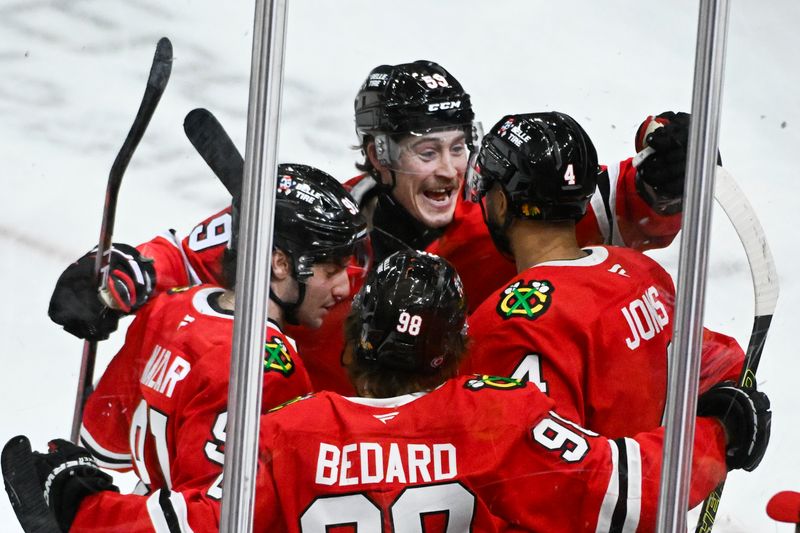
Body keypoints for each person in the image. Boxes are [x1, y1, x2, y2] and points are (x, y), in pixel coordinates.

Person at [6, 250, 771, 532]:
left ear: (348, 342)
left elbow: (189, 522)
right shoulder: (500, 419)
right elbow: (637, 492)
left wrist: (83, 505)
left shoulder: (291, 433)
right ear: (456, 351)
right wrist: (719, 430)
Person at [48, 60, 694, 395]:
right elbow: (188, 259)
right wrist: (115, 281)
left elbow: (626, 201)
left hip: (449, 456)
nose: (448, 170)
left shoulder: (493, 210)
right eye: (425, 151)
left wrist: (666, 174)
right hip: (319, 457)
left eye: (457, 146)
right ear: (380, 154)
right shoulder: (319, 221)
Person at [61, 164, 366, 530]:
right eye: (331, 270)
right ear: (280, 263)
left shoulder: (170, 307)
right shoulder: (272, 372)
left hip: (146, 513)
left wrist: (79, 500)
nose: (344, 289)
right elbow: (224, 519)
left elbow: (101, 441)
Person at [460, 111, 745, 438]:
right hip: (654, 477)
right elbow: (722, 365)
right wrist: (713, 437)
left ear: (498, 202)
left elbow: (539, 475)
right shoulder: (646, 277)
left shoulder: (498, 326)